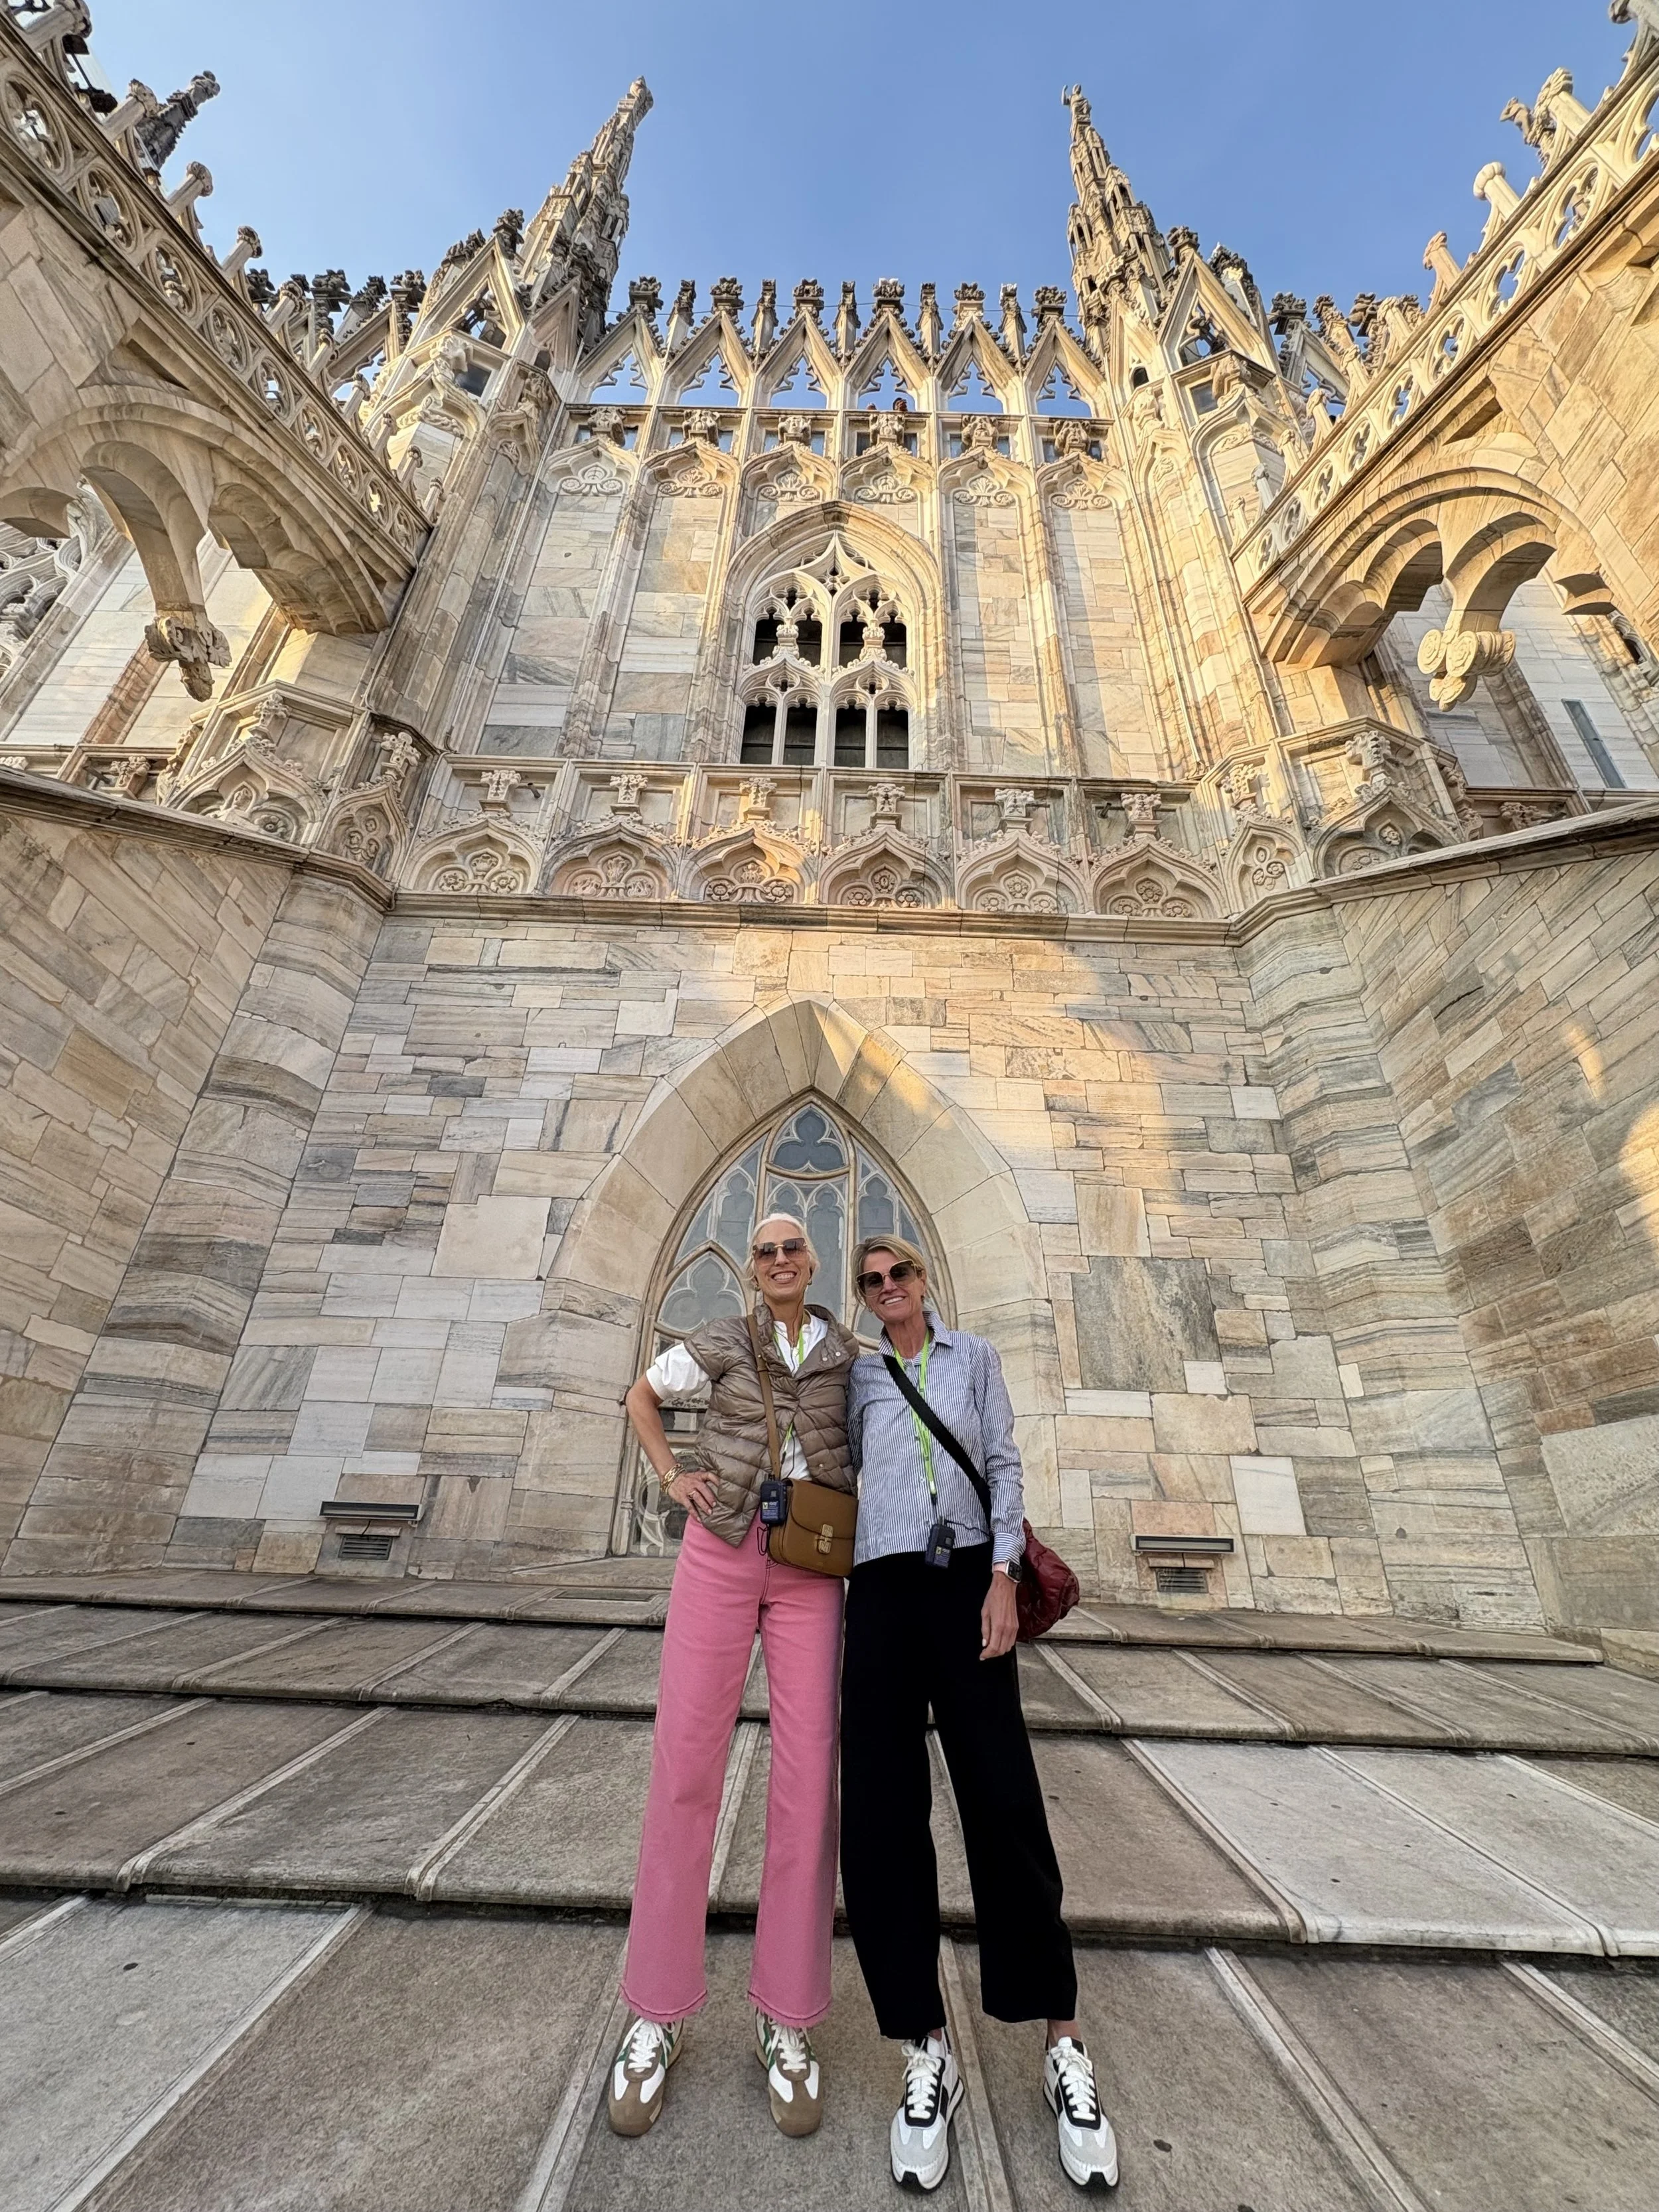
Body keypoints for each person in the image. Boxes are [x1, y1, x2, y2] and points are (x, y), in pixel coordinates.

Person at [839, 1234, 1119, 2193]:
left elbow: (1004, 1465)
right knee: (881, 1819)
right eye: (872, 1283)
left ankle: (1063, 2041)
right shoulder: (857, 1375)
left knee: (1003, 1802)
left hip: (965, 1583)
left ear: (925, 1280)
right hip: (877, 1593)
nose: (889, 1292)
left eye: (900, 1276)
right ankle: (924, 2049)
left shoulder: (978, 1359)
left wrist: (1001, 1575)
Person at [607, 1214, 863, 2142]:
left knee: (805, 1784)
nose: (782, 1260)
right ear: (753, 1270)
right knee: (684, 1771)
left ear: (813, 1261)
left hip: (810, 1570)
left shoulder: (850, 1354)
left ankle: (786, 2020)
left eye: (794, 1248)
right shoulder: (718, 1341)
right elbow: (639, 1396)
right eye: (766, 1251)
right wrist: (674, 1474)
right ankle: (657, 2012)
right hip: (718, 1555)